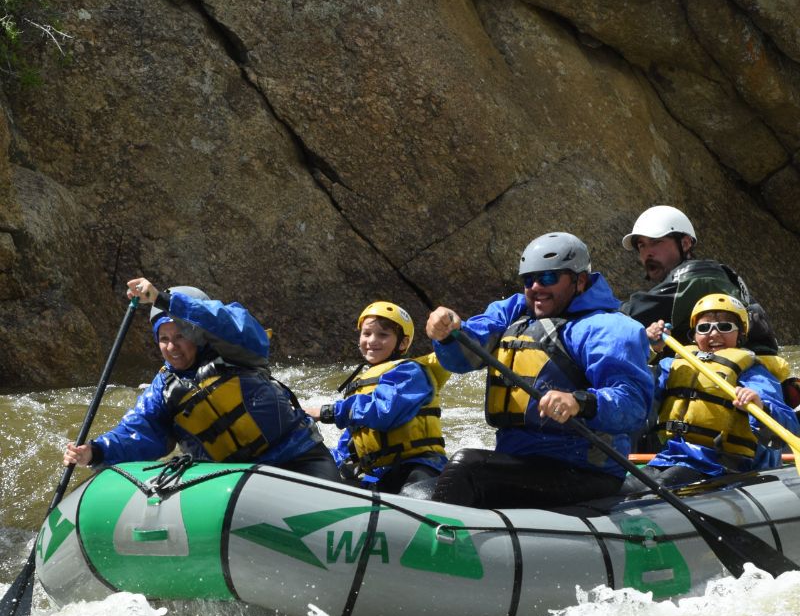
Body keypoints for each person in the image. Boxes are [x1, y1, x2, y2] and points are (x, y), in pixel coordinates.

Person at [416, 232, 654, 508]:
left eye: (549, 278)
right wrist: (447, 333)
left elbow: (634, 405)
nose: (536, 287)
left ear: (580, 280)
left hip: (583, 472)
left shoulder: (609, 329)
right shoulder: (513, 312)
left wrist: (580, 402)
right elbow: (463, 358)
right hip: (521, 463)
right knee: (414, 491)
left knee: (466, 468)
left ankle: (445, 547)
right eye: (529, 279)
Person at [63, 278, 341, 481]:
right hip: (234, 481)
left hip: (296, 457)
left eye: (180, 336)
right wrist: (95, 452)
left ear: (197, 333)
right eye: (164, 339)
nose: (172, 346)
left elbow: (229, 323)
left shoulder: (237, 350)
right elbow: (140, 432)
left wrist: (165, 301)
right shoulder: (164, 389)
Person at [643, 293, 800, 487]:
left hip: (721, 464)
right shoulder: (671, 365)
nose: (714, 334)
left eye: (725, 327)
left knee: (659, 487)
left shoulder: (753, 373)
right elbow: (636, 393)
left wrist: (761, 406)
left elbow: (790, 425)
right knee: (628, 488)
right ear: (694, 335)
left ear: (740, 335)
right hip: (669, 456)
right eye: (704, 327)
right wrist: (646, 349)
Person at [305, 301, 450, 493]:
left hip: (419, 467)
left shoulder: (409, 372)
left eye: (383, 335)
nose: (372, 340)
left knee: (410, 495)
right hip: (380, 473)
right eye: (366, 334)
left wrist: (327, 412)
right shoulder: (360, 384)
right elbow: (351, 444)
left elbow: (384, 411)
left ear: (403, 343)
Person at [619, 205, 764, 346]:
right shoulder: (714, 273)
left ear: (685, 243)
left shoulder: (695, 278)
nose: (648, 253)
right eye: (641, 245)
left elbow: (628, 316)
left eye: (656, 242)